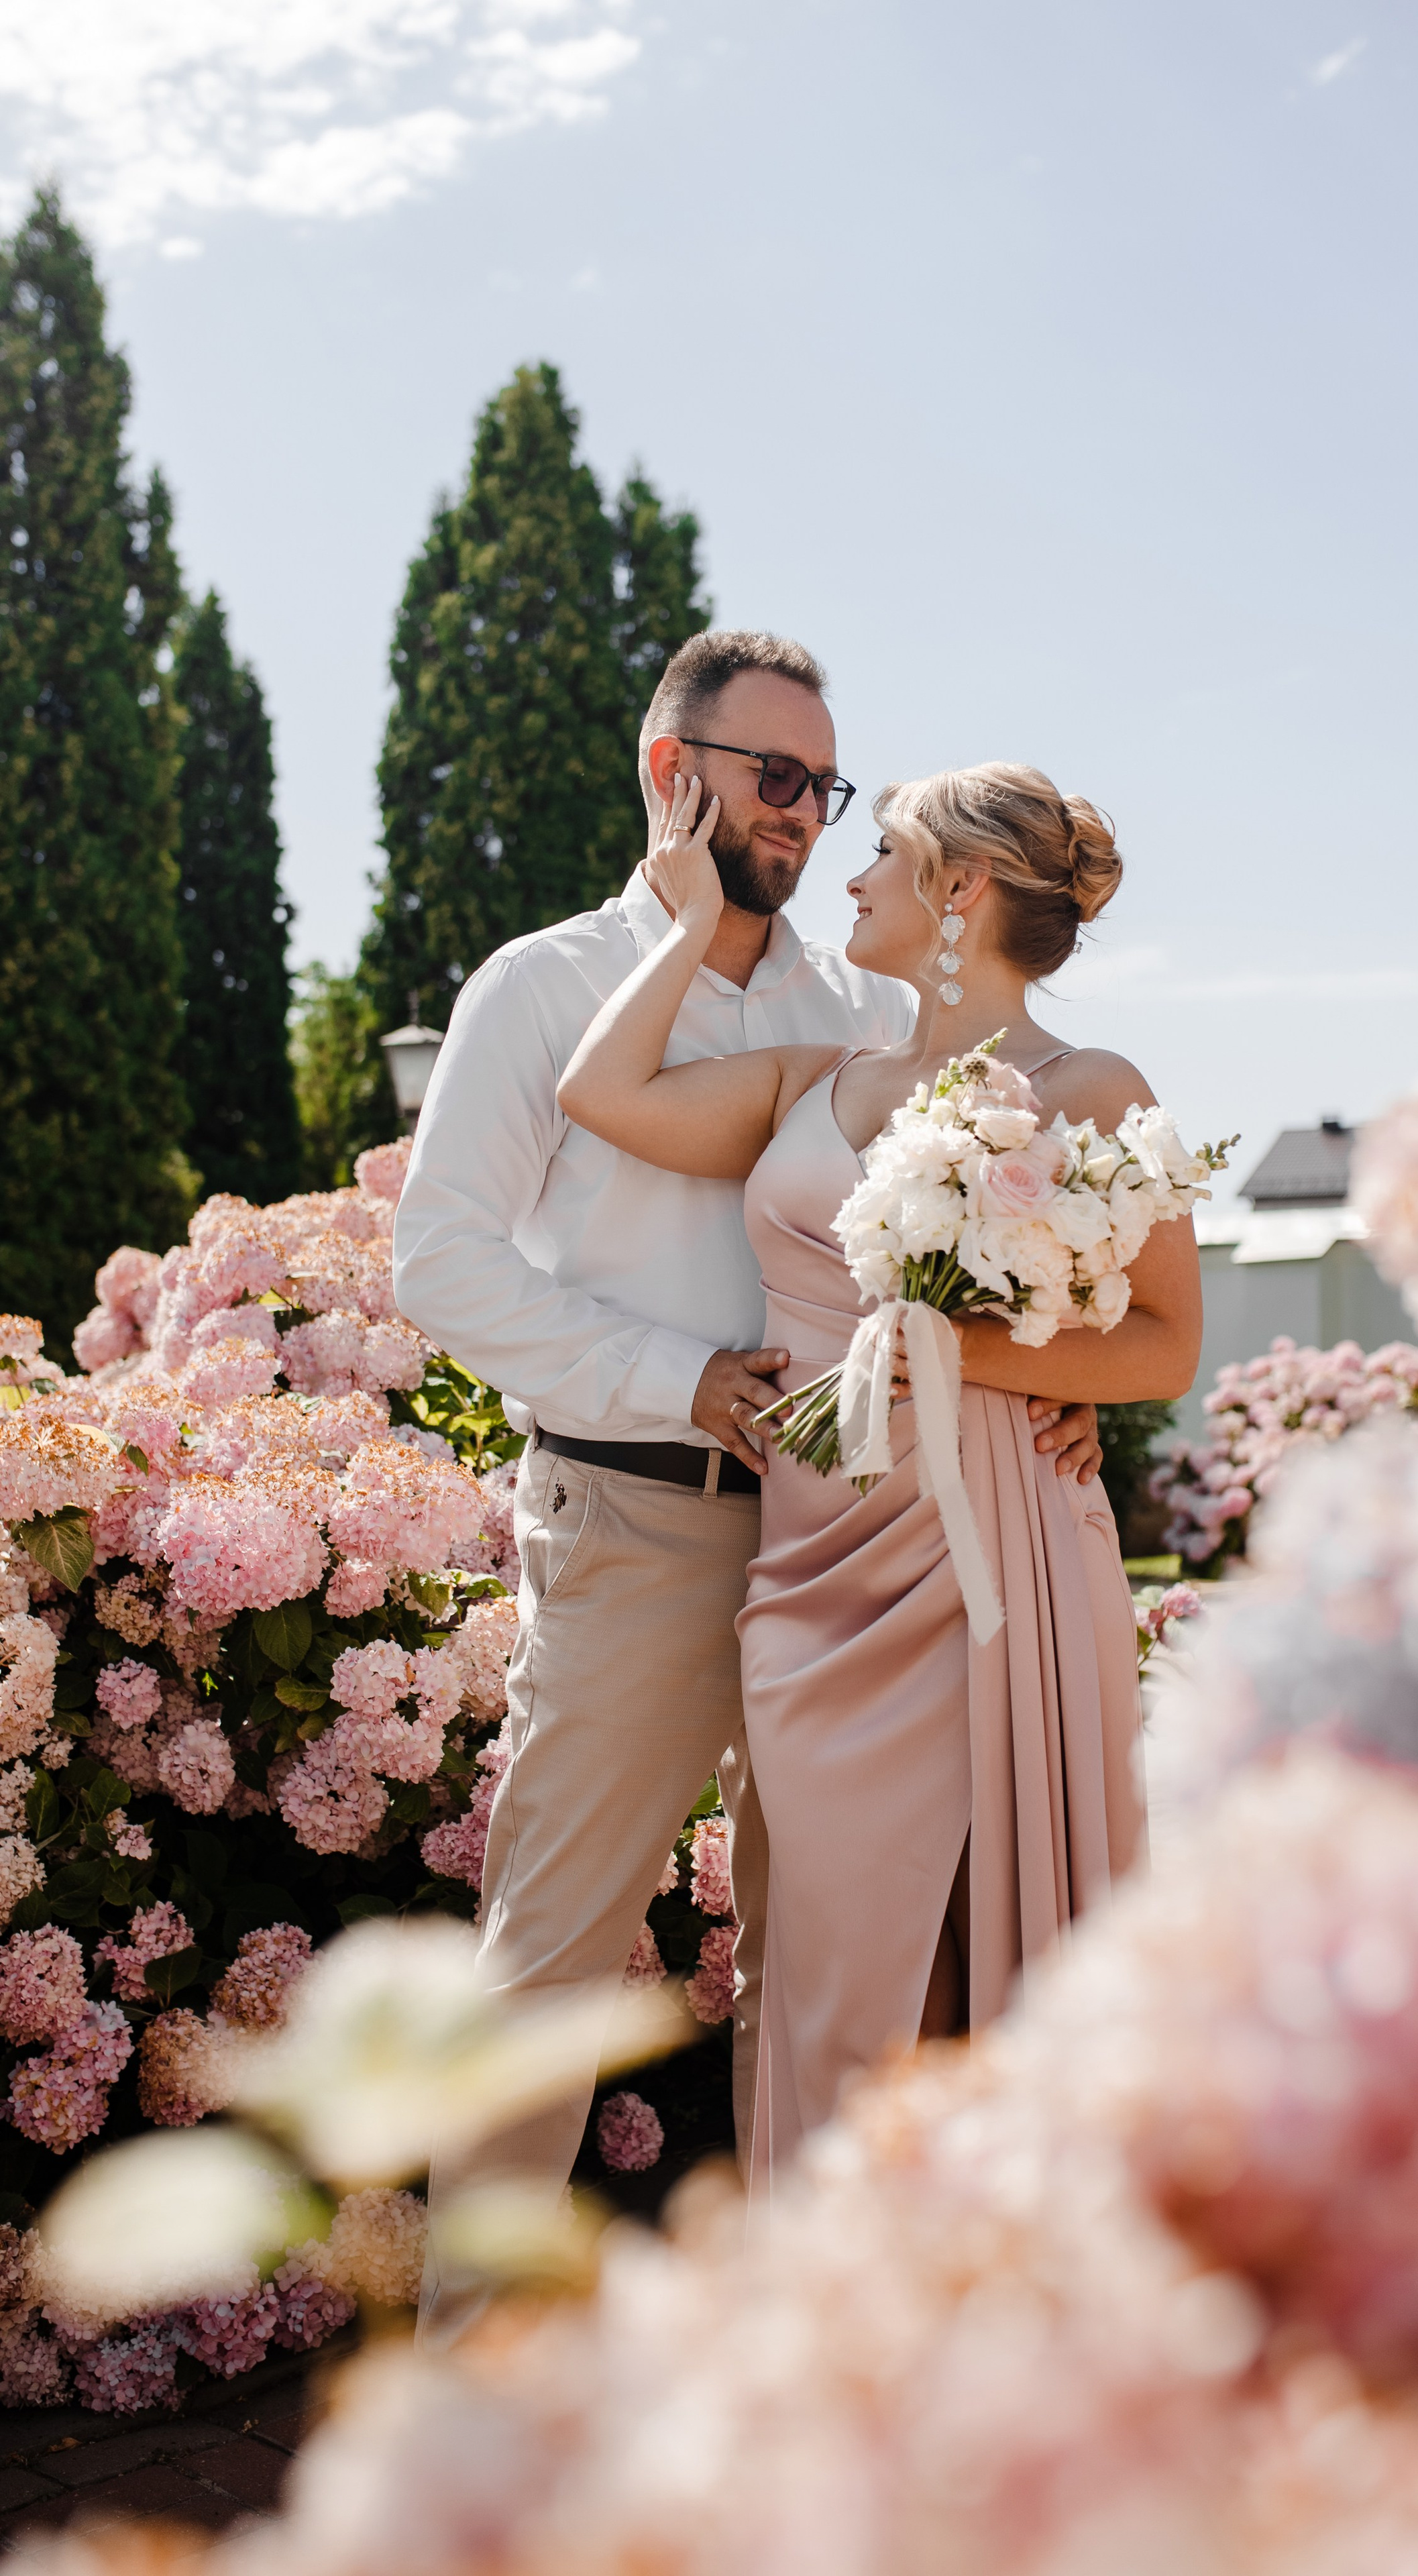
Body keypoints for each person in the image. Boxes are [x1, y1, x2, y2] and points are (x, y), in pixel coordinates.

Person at [393, 632, 1103, 2334]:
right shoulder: (543, 984)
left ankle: (809, 2394)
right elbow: (440, 1264)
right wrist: (675, 1383)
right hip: (632, 1524)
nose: (805, 814)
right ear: (673, 771)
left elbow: (1016, 1242)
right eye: (775, 777)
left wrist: (1056, 1404)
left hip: (855, 1552)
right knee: (551, 1974)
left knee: (824, 1974)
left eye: (825, 786)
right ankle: (459, 2419)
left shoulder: (860, 1004)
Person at [559, 757, 1201, 2180]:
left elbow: (1159, 1347)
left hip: (998, 1561)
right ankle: (840, 2298)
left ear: (958, 892)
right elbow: (599, 1090)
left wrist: (964, 1355)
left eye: (885, 855)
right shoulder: (815, 1080)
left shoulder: (1088, 1087)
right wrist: (672, 928)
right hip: (810, 1580)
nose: (848, 876)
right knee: (839, 1971)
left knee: (1001, 1959)